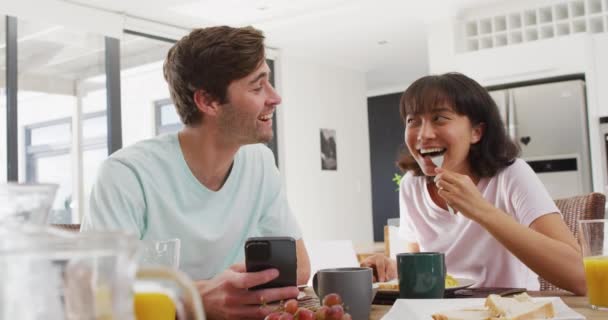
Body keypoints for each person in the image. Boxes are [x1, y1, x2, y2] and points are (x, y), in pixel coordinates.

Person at [81, 26, 311, 319]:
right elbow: (95, 297)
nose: (275, 97)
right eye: (257, 87)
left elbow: (299, 267)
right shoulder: (125, 175)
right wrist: (193, 300)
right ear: (208, 101)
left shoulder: (260, 163)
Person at [361, 73, 586, 295]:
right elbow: (417, 261)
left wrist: (480, 210)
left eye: (439, 118)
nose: (424, 134)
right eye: (413, 121)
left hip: (509, 310)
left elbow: (580, 277)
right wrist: (390, 268)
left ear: (476, 132)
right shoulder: (413, 184)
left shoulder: (510, 175)